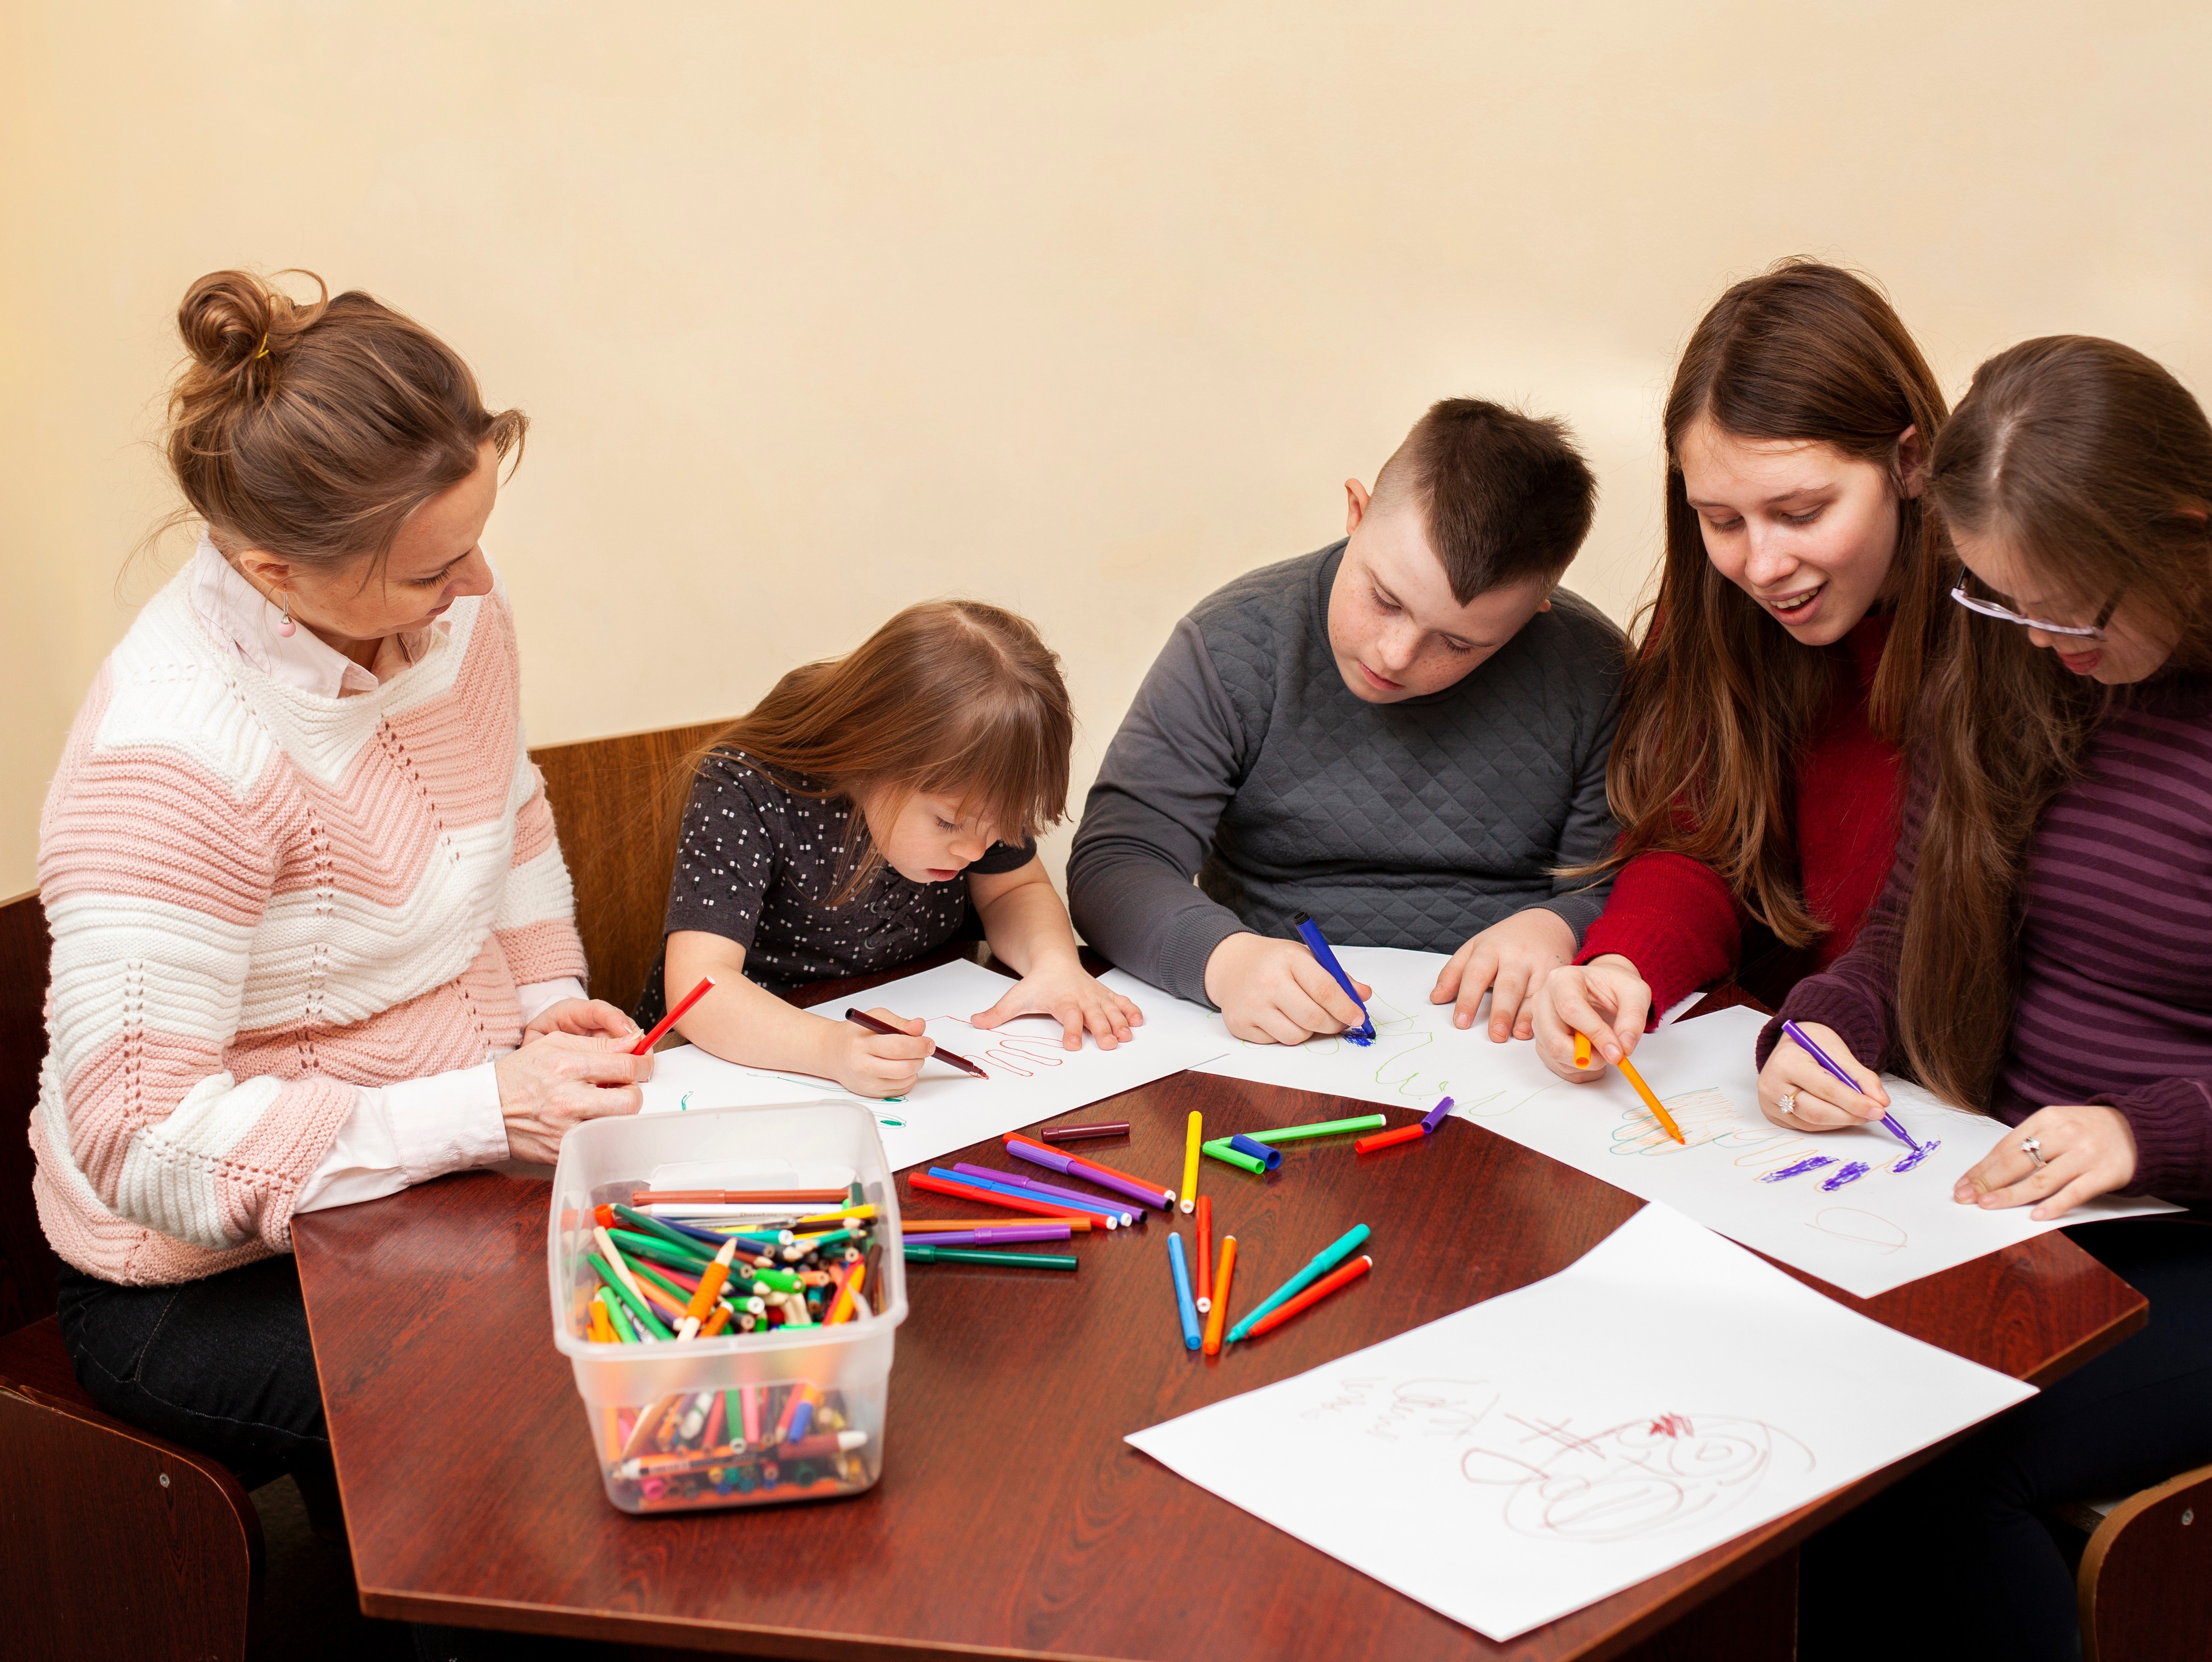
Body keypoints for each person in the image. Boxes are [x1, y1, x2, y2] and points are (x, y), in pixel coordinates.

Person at [1754, 336, 2212, 1661]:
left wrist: (2142, 1132)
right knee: (1788, 1387)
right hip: (2021, 1187)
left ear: (2184, 532)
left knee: (1944, 1460)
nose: (2039, 643)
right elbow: (1914, 917)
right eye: (1998, 599)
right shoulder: (2017, 646)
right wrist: (1828, 1023)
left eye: (2072, 610)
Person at [39, 269, 650, 1511]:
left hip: (432, 1177)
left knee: (660, 1315)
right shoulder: (172, 759)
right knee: (511, 1412)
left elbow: (509, 806)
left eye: (476, 543)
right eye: (433, 570)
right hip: (197, 1274)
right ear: (274, 571)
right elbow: (143, 1142)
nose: (475, 590)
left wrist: (548, 1006)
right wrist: (489, 1110)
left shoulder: (450, 602)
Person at [1068, 398, 1623, 1045]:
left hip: (1511, 1036)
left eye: (1459, 644)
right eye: (1385, 599)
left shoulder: (1596, 671)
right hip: (1273, 1031)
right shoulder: (1231, 645)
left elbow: (1631, 884)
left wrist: (1562, 926)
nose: (1396, 655)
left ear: (1535, 609)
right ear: (1356, 513)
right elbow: (1118, 860)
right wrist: (1225, 961)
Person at [1524, 260, 1951, 1083]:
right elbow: (1698, 843)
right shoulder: (1716, 621)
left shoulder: (2017, 637)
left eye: (1801, 513)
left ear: (1911, 462)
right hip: (1766, 1068)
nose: (1761, 564)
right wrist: (1623, 968)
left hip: (1926, 1089)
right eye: (1721, 520)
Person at [642, 601, 1142, 1096]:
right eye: (947, 821)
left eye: (997, 829)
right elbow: (698, 988)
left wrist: (1053, 963)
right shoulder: (746, 786)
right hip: (745, 1067)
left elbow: (1014, 889)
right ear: (868, 749)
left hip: (910, 1017)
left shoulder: (975, 782)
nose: (973, 850)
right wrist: (828, 1049)